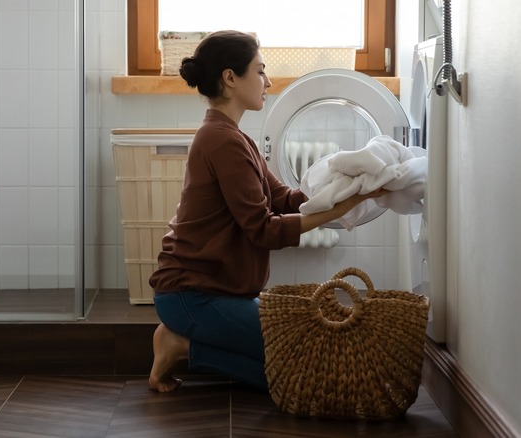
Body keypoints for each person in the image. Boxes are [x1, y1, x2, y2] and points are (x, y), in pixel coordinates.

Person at [148, 30, 387, 393]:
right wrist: (345, 207)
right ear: (230, 79)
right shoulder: (221, 141)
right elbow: (264, 230)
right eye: (260, 71)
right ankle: (181, 345)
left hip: (218, 292)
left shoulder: (235, 137)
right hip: (192, 295)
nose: (268, 81)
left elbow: (284, 198)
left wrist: (347, 182)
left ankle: (186, 343)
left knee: (302, 361)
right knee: (298, 377)